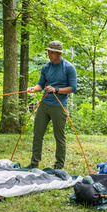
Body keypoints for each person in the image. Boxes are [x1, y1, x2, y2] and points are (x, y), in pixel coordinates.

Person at [26, 40, 77, 170]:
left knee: (59, 136)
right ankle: (34, 162)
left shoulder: (68, 67)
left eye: (52, 52)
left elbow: (73, 88)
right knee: (38, 134)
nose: (50, 54)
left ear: (59, 53)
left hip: (59, 106)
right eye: (49, 51)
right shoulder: (46, 67)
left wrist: (57, 90)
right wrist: (34, 88)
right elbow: (40, 85)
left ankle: (59, 165)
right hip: (44, 104)